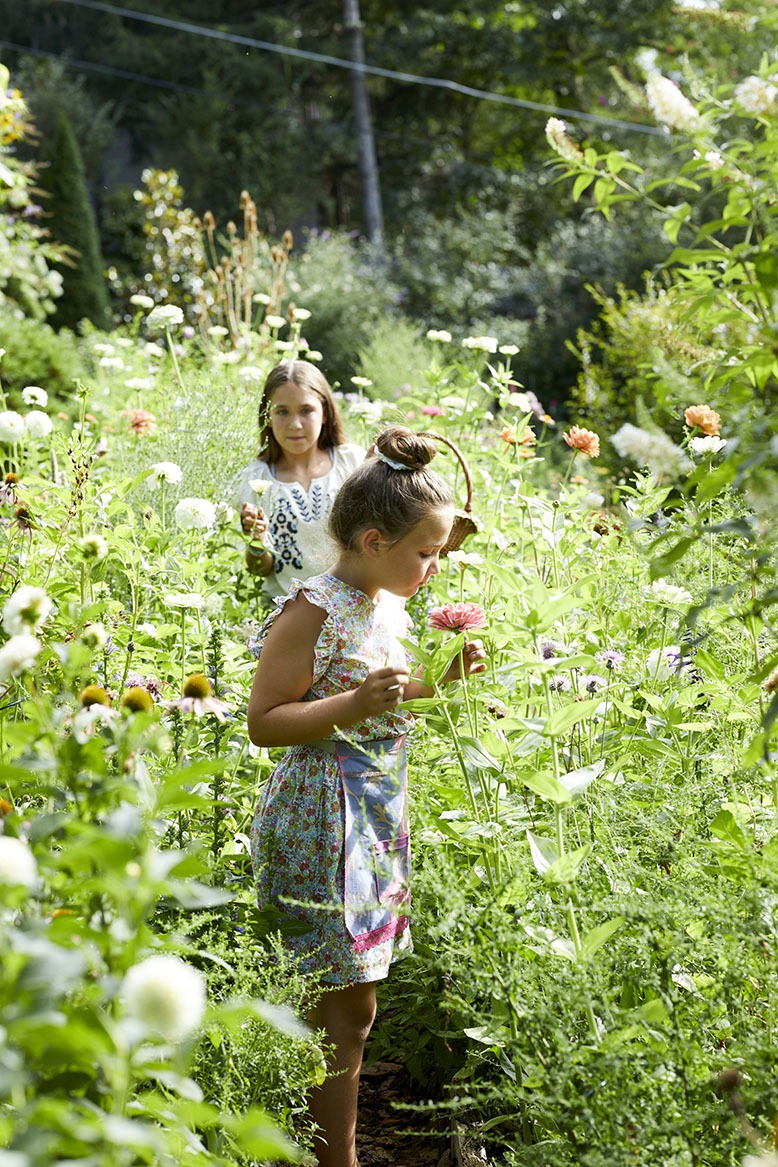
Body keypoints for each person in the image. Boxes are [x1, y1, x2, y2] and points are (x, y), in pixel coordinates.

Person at [246, 426, 487, 1167]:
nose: (435, 565)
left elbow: (380, 694)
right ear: (376, 539)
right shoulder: (313, 609)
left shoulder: (384, 601)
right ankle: (334, 1158)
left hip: (371, 822)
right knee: (347, 1006)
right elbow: (264, 720)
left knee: (348, 1002)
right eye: (426, 552)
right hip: (322, 824)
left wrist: (434, 687)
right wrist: (349, 706)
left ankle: (302, 1136)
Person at [235, 359, 364, 598]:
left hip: (352, 606)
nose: (294, 424)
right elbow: (260, 569)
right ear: (267, 416)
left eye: (306, 410)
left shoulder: (352, 463)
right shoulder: (257, 479)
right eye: (282, 412)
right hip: (288, 614)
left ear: (325, 412)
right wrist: (257, 540)